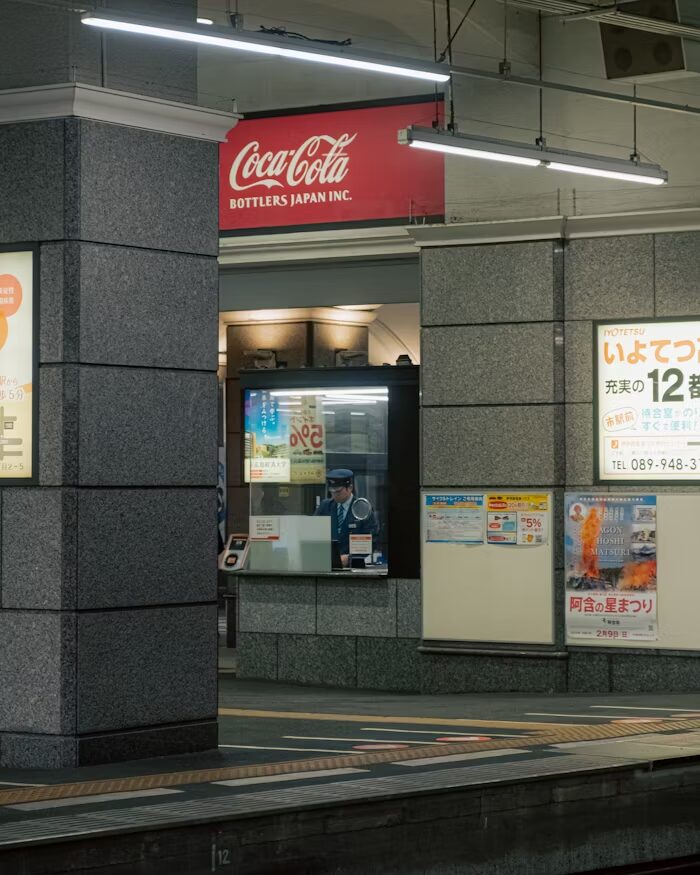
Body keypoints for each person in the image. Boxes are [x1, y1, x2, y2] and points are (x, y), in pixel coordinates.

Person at [314, 468, 379, 567]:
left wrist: (350, 558)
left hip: (353, 567)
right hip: (327, 564)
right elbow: (313, 533)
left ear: (350, 488)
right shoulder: (325, 506)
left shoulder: (362, 507)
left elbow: (372, 540)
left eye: (338, 491)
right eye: (332, 491)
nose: (335, 495)